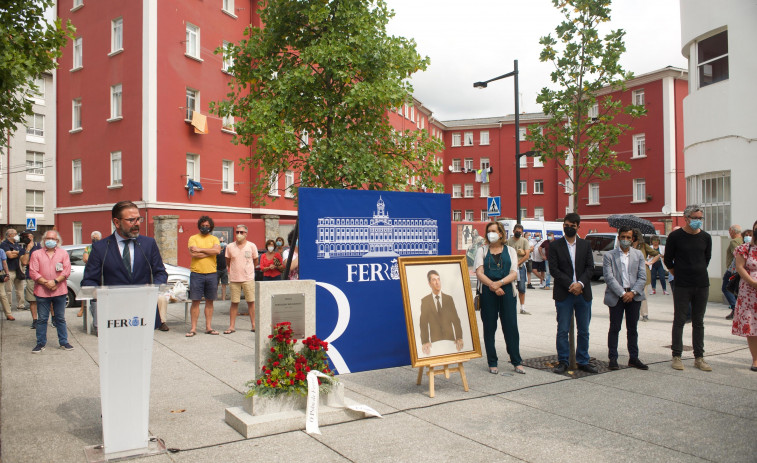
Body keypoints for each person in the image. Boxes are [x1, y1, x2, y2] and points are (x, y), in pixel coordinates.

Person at [81, 202, 169, 333]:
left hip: (143, 313)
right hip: (112, 315)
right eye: (131, 220)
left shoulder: (148, 244)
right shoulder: (101, 248)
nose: (137, 223)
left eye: (139, 219)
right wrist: (98, 293)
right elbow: (88, 280)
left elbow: (160, 273)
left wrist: (153, 288)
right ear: (117, 222)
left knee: (141, 352)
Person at [664, 205, 712, 371]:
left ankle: (699, 357)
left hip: (702, 284)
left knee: (699, 321)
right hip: (682, 285)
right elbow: (668, 259)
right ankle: (676, 355)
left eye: (700, 218)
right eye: (695, 218)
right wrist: (679, 273)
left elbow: (706, 259)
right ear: (686, 218)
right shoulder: (675, 236)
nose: (698, 221)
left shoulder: (706, 237)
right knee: (680, 320)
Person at [549, 212, 597, 374]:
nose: (568, 228)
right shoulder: (555, 246)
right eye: (566, 225)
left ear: (578, 227)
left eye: (572, 226)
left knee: (584, 330)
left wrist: (580, 284)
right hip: (564, 293)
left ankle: (583, 360)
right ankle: (563, 360)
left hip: (583, 293)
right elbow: (554, 270)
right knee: (563, 329)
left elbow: (590, 267)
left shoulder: (585, 245)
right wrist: (571, 284)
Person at [474, 221, 523, 374]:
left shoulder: (510, 251)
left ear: (501, 233)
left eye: (494, 230)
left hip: (507, 290)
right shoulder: (482, 250)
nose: (491, 234)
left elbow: (514, 273)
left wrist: (500, 284)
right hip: (488, 292)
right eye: (489, 231)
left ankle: (516, 361)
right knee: (489, 328)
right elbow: (479, 272)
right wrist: (493, 286)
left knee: (511, 327)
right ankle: (492, 362)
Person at [603, 226, 649, 370]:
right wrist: (623, 293)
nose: (625, 240)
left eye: (628, 237)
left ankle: (634, 358)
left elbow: (643, 276)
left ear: (632, 239)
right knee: (615, 327)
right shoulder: (609, 255)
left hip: (634, 296)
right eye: (623, 237)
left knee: (633, 329)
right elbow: (609, 278)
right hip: (617, 296)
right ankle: (613, 358)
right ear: (618, 237)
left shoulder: (638, 255)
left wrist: (633, 292)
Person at [29, 230, 73, 353]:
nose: (50, 240)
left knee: (60, 318)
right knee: (42, 319)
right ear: (43, 240)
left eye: (53, 239)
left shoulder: (63, 253)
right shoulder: (36, 254)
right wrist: (46, 283)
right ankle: (40, 343)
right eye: (48, 238)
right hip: (42, 291)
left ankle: (64, 342)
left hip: (59, 290)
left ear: (57, 241)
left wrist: (55, 282)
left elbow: (66, 271)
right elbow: (33, 271)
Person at [186, 216, 221, 337]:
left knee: (209, 301)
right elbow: (193, 253)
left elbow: (217, 251)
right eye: (203, 225)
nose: (205, 227)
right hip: (197, 274)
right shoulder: (193, 238)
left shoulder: (214, 238)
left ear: (210, 227)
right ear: (199, 225)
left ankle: (208, 327)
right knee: (195, 301)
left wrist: (200, 250)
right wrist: (209, 251)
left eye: (207, 226)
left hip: (211, 273)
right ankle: (193, 328)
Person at [418, 270, 464, 356]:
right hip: (435, 341)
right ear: (429, 284)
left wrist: (459, 337)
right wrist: (425, 341)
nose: (437, 282)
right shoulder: (425, 301)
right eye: (434, 280)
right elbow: (423, 324)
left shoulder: (449, 299)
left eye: (438, 279)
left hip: (450, 339)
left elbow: (456, 320)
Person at [223, 225, 259, 334]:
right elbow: (228, 261)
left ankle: (254, 325)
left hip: (248, 278)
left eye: (242, 232)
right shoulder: (230, 246)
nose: (239, 234)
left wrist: (249, 270)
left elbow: (255, 260)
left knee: (251, 302)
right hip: (234, 279)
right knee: (234, 302)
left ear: (246, 234)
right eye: (237, 232)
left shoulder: (252, 246)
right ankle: (231, 326)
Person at [732, 220, 757, 372]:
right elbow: (740, 268)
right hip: (750, 293)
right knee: (752, 326)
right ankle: (756, 359)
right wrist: (753, 283)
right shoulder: (744, 248)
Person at [632, 228, 659, 322]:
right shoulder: (629, 246)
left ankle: (644, 314)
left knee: (643, 295)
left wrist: (650, 262)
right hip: (631, 273)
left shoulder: (643, 246)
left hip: (643, 273)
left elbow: (657, 254)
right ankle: (633, 313)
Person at [506, 224, 531, 315]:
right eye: (517, 231)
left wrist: (518, 263)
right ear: (513, 231)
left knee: (521, 287)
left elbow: (527, 255)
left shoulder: (524, 241)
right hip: (510, 268)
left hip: (520, 267)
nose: (518, 233)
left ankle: (522, 307)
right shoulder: (508, 241)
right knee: (509, 287)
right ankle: (509, 307)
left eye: (520, 232)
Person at [19, 230, 42, 328]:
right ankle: (35, 320)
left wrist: (31, 262)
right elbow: (24, 262)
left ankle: (53, 318)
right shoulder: (22, 249)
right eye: (22, 236)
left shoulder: (39, 246)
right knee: (33, 300)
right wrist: (28, 250)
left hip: (42, 276)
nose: (24, 238)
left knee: (47, 300)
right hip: (30, 276)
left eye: (26, 236)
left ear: (31, 237)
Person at [1, 228, 27, 313]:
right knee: (8, 290)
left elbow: (23, 253)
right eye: (15, 233)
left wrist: (15, 252)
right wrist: (18, 253)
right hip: (9, 269)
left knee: (20, 289)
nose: (17, 235)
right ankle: (8, 306)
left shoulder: (16, 244)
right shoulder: (4, 244)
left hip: (18, 269)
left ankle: (21, 305)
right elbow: (10, 256)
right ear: (10, 235)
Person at [80, 230, 102, 320]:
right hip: (90, 273)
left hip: (101, 275)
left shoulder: (103, 247)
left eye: (97, 237)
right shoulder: (88, 248)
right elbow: (85, 259)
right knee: (87, 293)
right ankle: (82, 310)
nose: (95, 239)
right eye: (94, 237)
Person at [723, 224, 743, 320]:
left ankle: (735, 308)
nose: (729, 233)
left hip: (733, 271)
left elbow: (737, 255)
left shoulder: (734, 242)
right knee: (735, 291)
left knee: (726, 288)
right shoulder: (744, 240)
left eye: (730, 231)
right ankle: (736, 309)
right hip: (739, 271)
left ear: (733, 232)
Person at [0, 248, 11, 320]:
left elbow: (4, 263)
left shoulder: (1, 251)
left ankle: (8, 314)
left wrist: (7, 274)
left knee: (2, 295)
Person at [217, 237, 229, 301]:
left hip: (224, 269)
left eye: (223, 241)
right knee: (215, 284)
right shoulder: (216, 250)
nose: (222, 243)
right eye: (220, 242)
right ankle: (215, 298)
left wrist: (227, 266)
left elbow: (228, 258)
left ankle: (223, 298)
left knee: (224, 284)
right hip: (217, 269)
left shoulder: (226, 249)